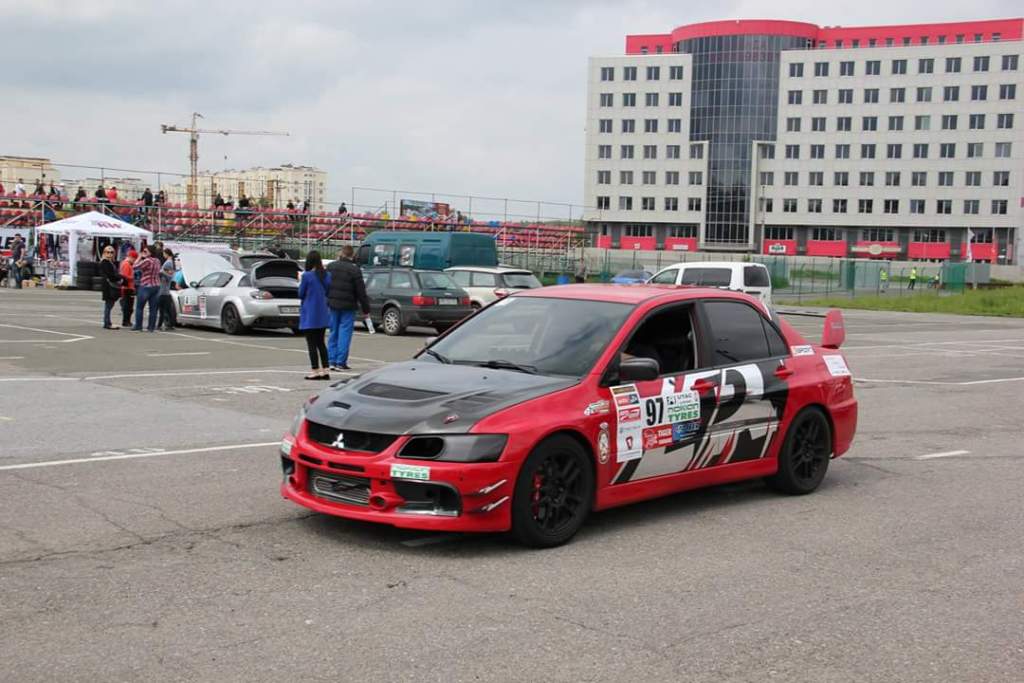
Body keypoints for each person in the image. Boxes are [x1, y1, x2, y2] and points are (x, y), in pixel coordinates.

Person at [325, 245, 370, 372]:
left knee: (333, 332)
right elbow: (361, 291)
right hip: (348, 305)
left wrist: (327, 299)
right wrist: (366, 309)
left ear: (341, 253)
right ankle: (340, 362)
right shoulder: (355, 270)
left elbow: (325, 285)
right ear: (352, 255)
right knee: (345, 333)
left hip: (332, 304)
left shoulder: (331, 266)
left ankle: (331, 361)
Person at [299, 251, 332, 380]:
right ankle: (326, 369)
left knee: (311, 343)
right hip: (322, 312)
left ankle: (315, 370)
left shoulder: (307, 276)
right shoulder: (327, 275)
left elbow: (301, 293)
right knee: (321, 342)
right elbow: (328, 291)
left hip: (310, 313)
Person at [132, 246, 161, 332]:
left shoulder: (147, 261)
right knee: (153, 308)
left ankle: (138, 326)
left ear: (150, 252)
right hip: (156, 285)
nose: (143, 253)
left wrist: (139, 257)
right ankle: (151, 327)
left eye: (145, 251)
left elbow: (135, 266)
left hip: (146, 285)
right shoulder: (157, 260)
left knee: (139, 307)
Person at [99, 246, 123, 329]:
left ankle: (107, 322)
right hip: (109, 286)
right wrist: (120, 278)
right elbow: (110, 275)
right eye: (108, 252)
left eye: (112, 252)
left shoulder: (111, 262)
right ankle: (107, 323)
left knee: (110, 304)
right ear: (104, 253)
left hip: (111, 285)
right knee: (109, 304)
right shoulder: (105, 262)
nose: (110, 254)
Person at [157, 248, 177, 331]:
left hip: (163, 289)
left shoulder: (168, 263)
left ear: (166, 254)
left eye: (164, 254)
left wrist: (162, 272)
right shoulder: (170, 262)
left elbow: (169, 275)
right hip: (165, 289)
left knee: (163, 309)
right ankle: (169, 324)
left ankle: (161, 324)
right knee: (166, 309)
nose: (163, 255)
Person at [120, 249, 137, 327]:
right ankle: (126, 321)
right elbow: (125, 276)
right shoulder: (126, 264)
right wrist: (133, 277)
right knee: (128, 306)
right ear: (131, 257)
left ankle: (127, 321)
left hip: (128, 287)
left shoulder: (126, 263)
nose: (134, 261)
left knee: (128, 306)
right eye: (134, 259)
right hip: (128, 288)